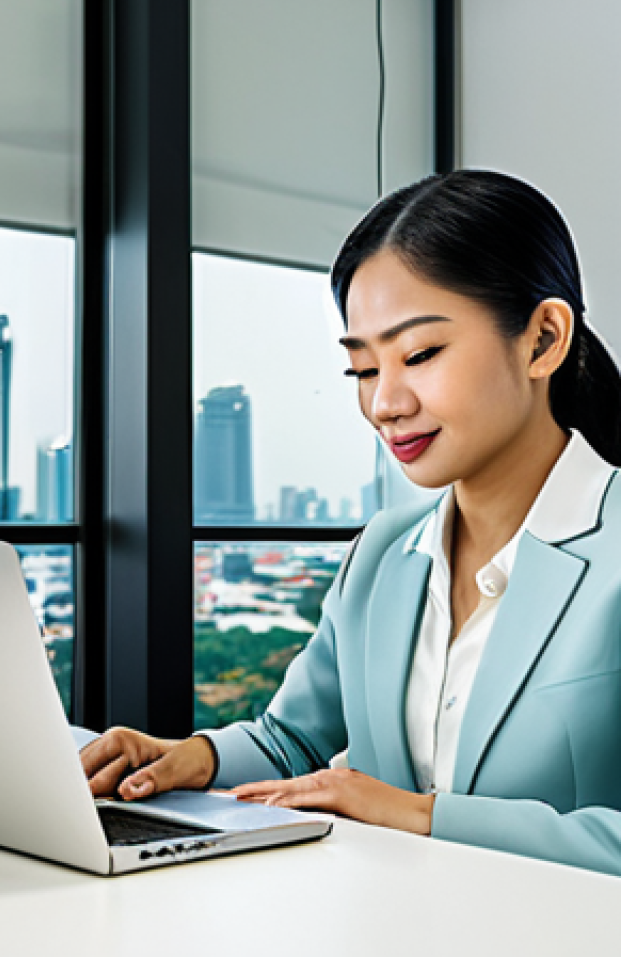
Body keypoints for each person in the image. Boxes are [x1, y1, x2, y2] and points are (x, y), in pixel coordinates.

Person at [82, 169, 621, 876]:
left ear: (543, 340)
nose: (385, 403)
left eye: (421, 354)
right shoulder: (383, 551)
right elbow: (292, 741)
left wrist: (419, 816)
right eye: (363, 370)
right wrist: (190, 757)